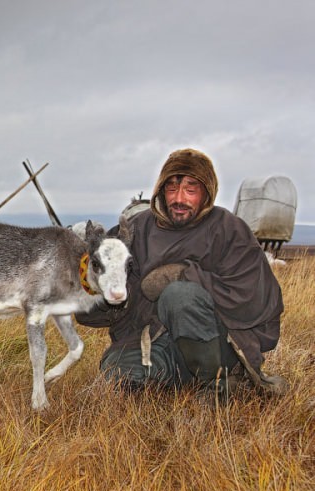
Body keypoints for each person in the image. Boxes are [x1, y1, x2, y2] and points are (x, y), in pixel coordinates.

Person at [76, 148, 287, 397]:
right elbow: (89, 312)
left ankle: (222, 382)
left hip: (217, 346)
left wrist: (185, 276)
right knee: (119, 377)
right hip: (154, 341)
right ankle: (176, 381)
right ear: (161, 190)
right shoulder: (137, 229)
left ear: (206, 192)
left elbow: (254, 300)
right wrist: (94, 282)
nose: (179, 198)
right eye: (172, 188)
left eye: (190, 189)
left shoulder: (229, 230)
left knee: (179, 296)